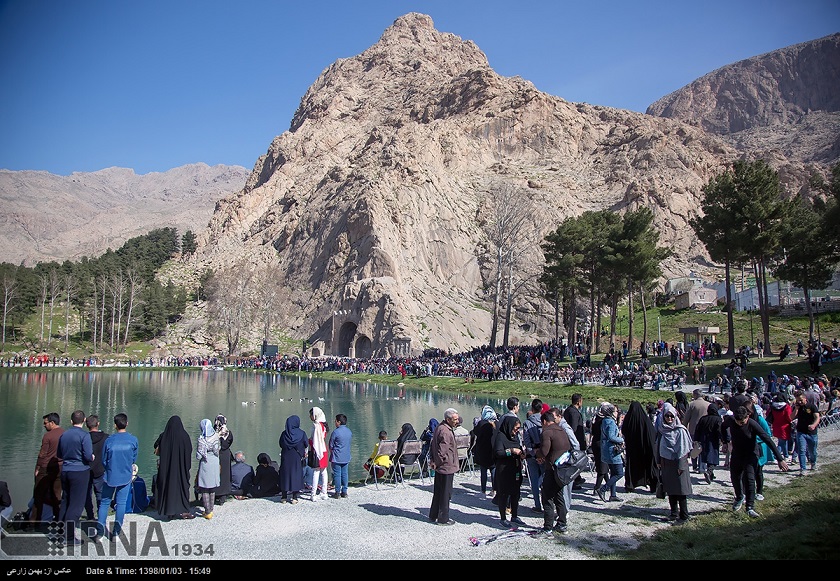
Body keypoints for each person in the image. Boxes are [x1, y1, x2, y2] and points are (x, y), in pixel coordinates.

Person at [723, 405, 789, 517]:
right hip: (737, 455)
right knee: (735, 477)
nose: (740, 424)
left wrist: (780, 459)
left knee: (749, 480)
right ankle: (739, 497)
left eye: (742, 422)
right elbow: (722, 427)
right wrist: (726, 441)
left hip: (750, 455)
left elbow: (768, 439)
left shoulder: (752, 424)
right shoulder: (731, 420)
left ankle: (750, 507)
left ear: (747, 417)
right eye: (738, 422)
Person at [96, 413, 138, 540]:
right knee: (121, 504)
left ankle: (100, 532)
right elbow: (133, 458)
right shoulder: (133, 440)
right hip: (125, 475)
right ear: (127, 423)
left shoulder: (109, 440)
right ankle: (116, 532)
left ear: (115, 425)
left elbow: (103, 460)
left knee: (104, 503)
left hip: (110, 475)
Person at [57, 410, 94, 544]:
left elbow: (59, 454)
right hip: (80, 471)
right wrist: (92, 457)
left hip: (66, 470)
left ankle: (60, 533)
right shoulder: (85, 436)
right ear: (84, 420)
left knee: (66, 501)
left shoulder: (64, 435)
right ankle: (69, 537)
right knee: (76, 506)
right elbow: (88, 456)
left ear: (71, 421)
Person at [653, 403, 693, 522]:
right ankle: (673, 513)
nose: (669, 419)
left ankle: (684, 515)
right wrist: (658, 461)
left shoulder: (680, 430)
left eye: (671, 416)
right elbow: (658, 446)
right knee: (670, 490)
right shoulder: (662, 429)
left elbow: (684, 449)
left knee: (681, 491)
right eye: (667, 416)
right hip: (666, 463)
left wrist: (681, 465)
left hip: (679, 463)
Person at [535, 410, 573, 536]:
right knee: (559, 496)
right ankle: (562, 524)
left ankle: (547, 528)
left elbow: (544, 450)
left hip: (552, 469)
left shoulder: (547, 432)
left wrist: (537, 454)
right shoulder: (561, 430)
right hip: (563, 469)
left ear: (545, 421)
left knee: (547, 498)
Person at [153, 415, 194, 520]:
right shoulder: (184, 436)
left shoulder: (164, 436)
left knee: (168, 488)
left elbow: (155, 446)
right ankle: (184, 510)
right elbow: (189, 450)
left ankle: (169, 512)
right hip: (181, 469)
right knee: (182, 489)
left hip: (167, 469)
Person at [428, 407, 459, 526]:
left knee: (438, 491)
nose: (457, 421)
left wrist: (434, 461)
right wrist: (438, 462)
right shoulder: (446, 432)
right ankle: (443, 519)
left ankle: (433, 515)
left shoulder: (440, 427)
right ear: (448, 419)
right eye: (455, 419)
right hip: (446, 467)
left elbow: (433, 446)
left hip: (441, 466)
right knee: (446, 493)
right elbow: (443, 451)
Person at [493, 415, 525, 528]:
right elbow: (498, 453)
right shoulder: (500, 437)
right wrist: (511, 451)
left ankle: (514, 515)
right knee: (503, 494)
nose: (516, 430)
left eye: (518, 428)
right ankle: (502, 518)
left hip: (515, 468)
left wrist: (522, 453)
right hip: (504, 470)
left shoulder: (515, 437)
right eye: (515, 428)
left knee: (516, 493)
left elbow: (519, 448)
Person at [620, 401, 658, 493]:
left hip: (632, 448)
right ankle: (653, 485)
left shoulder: (628, 419)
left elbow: (624, 430)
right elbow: (651, 434)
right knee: (648, 465)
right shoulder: (645, 420)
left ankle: (630, 485)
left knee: (631, 466)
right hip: (644, 448)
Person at [32, 412, 63, 522]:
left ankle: (34, 522)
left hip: (45, 468)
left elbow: (42, 454)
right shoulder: (65, 433)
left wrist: (37, 468)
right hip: (60, 467)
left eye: (45, 423)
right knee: (57, 494)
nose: (44, 425)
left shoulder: (48, 436)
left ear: (52, 422)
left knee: (38, 495)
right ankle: (58, 519)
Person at [596, 403, 625, 503]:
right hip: (613, 451)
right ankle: (603, 489)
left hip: (606, 450)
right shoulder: (611, 423)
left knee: (613, 472)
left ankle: (613, 495)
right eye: (615, 411)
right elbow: (612, 437)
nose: (617, 413)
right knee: (619, 473)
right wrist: (621, 439)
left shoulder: (604, 421)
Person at [83, 415, 108, 522]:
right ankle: (100, 515)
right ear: (98, 424)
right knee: (100, 494)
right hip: (100, 470)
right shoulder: (106, 438)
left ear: (87, 425)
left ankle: (90, 515)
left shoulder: (84, 437)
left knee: (86, 494)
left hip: (85, 470)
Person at [790, 391, 821, 476]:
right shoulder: (798, 407)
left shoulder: (812, 407)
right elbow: (791, 417)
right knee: (801, 450)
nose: (799, 402)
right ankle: (802, 468)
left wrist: (814, 425)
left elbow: (817, 417)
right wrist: (796, 409)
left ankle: (813, 462)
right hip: (801, 432)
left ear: (805, 398)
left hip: (812, 432)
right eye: (797, 400)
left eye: (801, 400)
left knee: (812, 451)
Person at [196, 419, 221, 519]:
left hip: (206, 464)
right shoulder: (216, 436)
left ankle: (207, 511)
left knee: (205, 487)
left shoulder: (202, 439)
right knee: (212, 487)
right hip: (215, 462)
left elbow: (199, 455)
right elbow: (218, 449)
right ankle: (211, 508)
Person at [522, 399, 545, 512]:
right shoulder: (545, 421)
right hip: (544, 453)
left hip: (532, 455)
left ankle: (537, 505)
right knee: (545, 479)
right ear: (541, 409)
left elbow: (526, 440)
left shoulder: (527, 423)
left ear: (532, 408)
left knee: (534, 481)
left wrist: (532, 451)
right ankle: (547, 504)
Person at [279, 415, 307, 504]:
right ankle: (294, 497)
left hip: (286, 457)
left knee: (285, 475)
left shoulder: (284, 434)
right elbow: (306, 444)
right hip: (297, 458)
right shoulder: (302, 433)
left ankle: (284, 497)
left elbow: (280, 444)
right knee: (296, 475)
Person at [471, 405, 497, 499]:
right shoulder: (496, 423)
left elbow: (475, 432)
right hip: (493, 451)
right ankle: (494, 489)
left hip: (483, 450)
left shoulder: (481, 423)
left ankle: (483, 490)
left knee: (483, 471)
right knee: (493, 470)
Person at [563, 393, 587, 490]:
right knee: (575, 462)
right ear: (578, 401)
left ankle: (577, 478)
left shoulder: (568, 410)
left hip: (571, 440)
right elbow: (573, 428)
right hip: (575, 440)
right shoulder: (574, 412)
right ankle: (574, 480)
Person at [693, 403, 722, 483]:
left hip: (704, 440)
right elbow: (719, 430)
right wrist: (722, 439)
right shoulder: (717, 419)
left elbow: (697, 429)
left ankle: (710, 473)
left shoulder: (703, 419)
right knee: (713, 457)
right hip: (713, 440)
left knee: (707, 456)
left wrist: (696, 439)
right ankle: (709, 472)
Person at [683, 389, 711, 472]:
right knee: (702, 448)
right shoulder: (708, 404)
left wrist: (684, 427)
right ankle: (702, 466)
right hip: (705, 429)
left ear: (695, 395)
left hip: (693, 429)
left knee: (694, 447)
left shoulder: (692, 404)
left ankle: (694, 465)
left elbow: (686, 418)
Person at [308, 407, 329, 502]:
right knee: (324, 471)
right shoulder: (324, 425)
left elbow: (314, 441)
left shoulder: (316, 426)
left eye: (311, 415)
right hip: (324, 449)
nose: (310, 417)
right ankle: (324, 492)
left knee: (316, 472)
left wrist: (308, 441)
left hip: (317, 450)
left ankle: (313, 494)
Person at [329, 414, 352, 498]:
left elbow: (331, 445)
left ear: (339, 422)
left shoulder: (336, 432)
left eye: (335, 421)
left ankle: (337, 492)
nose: (335, 422)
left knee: (337, 474)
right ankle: (345, 491)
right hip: (346, 456)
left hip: (337, 456)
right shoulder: (349, 431)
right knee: (345, 474)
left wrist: (332, 451)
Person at [213, 414, 234, 506]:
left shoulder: (213, 432)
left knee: (215, 474)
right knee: (225, 474)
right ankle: (223, 496)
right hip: (225, 456)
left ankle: (214, 494)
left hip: (215, 456)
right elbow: (230, 442)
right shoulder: (228, 433)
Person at [767, 393, 793, 461]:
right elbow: (789, 417)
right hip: (785, 426)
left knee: (780, 441)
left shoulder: (773, 407)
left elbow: (767, 413)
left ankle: (777, 454)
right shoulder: (786, 407)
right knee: (783, 442)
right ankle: (785, 455)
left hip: (776, 425)